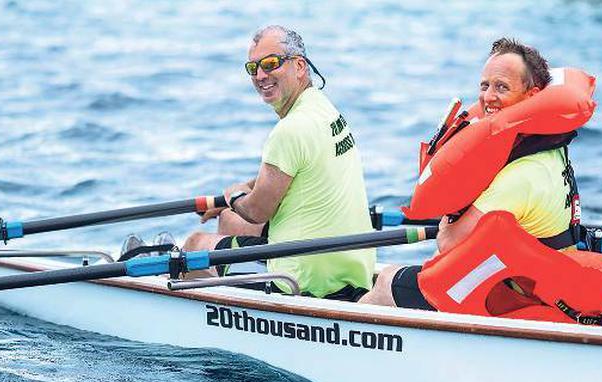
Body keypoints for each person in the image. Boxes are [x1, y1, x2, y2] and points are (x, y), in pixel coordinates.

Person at [360, 38, 579, 310]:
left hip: (515, 297)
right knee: (400, 277)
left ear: (532, 96)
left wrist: (450, 215)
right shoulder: (552, 150)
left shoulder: (523, 176)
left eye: (502, 87)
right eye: (485, 85)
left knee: (386, 282)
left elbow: (448, 242)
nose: (488, 97)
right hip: (535, 282)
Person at [184, 25, 375, 301]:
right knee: (229, 218)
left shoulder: (289, 131)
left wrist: (234, 195)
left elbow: (257, 210)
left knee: (194, 246)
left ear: (299, 66)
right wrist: (230, 202)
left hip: (302, 280)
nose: (261, 75)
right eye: (253, 68)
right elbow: (295, 170)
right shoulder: (324, 110)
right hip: (348, 266)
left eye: (271, 63)